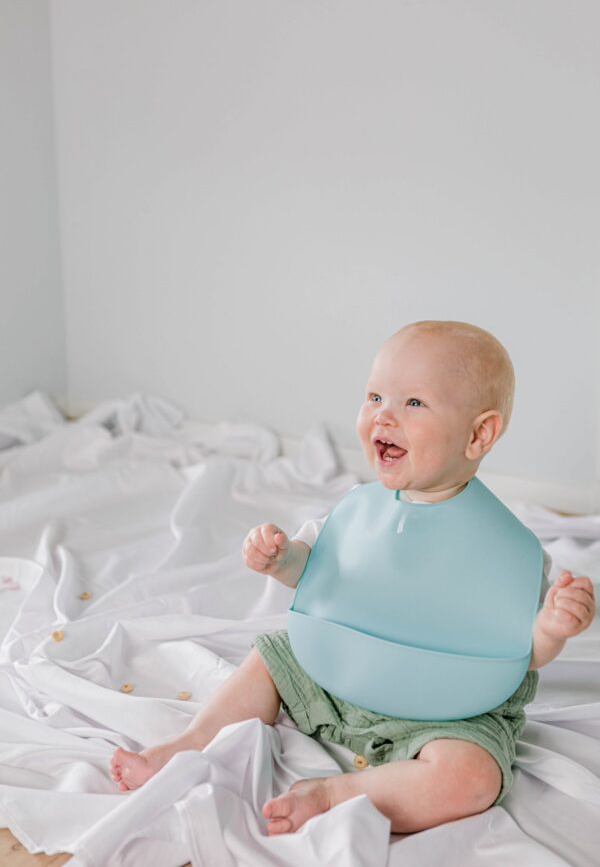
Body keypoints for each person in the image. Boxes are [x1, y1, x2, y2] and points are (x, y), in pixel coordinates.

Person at [110, 320, 596, 835]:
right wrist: (282, 561)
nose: (383, 413)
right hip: (338, 677)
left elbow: (522, 650)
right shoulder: (356, 511)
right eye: (374, 395)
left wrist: (553, 627)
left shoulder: (508, 549)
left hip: (451, 711)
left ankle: (336, 795)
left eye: (413, 403)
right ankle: (190, 742)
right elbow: (318, 575)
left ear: (479, 433)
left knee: (473, 779)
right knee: (272, 657)